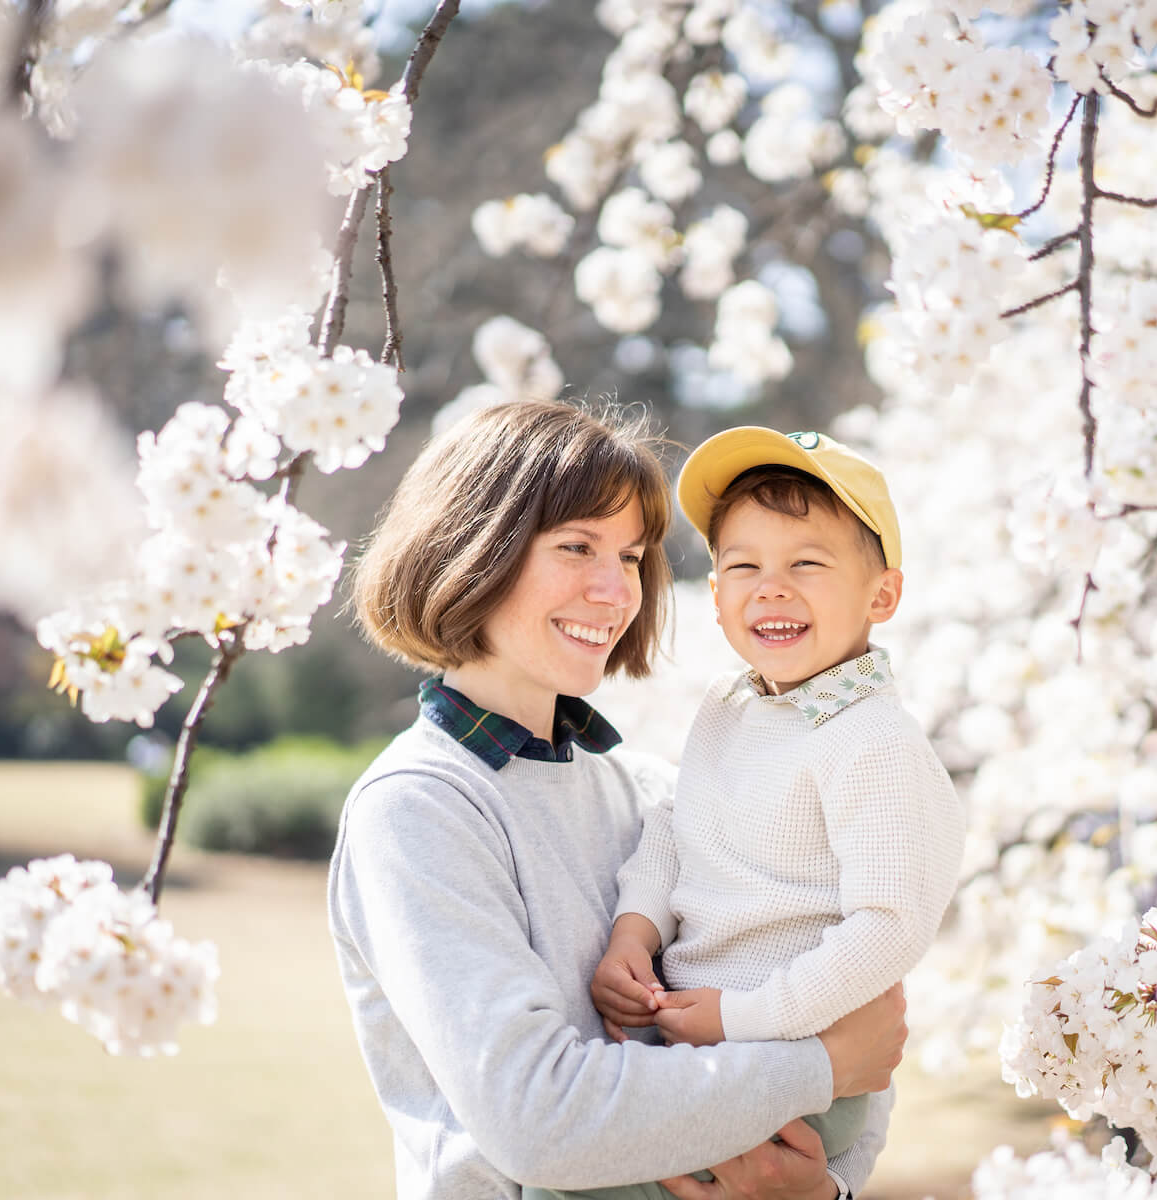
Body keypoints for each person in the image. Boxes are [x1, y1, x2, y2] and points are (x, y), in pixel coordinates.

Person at [327, 401, 907, 1200]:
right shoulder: (419, 809)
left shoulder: (655, 793)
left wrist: (820, 1193)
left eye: (632, 557)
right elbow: (539, 1119)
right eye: (576, 547)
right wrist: (820, 1068)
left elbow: (860, 1038)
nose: (613, 592)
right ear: (472, 547)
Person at [536, 428, 965, 1200]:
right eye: (743, 567)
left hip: (796, 1060)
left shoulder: (871, 741)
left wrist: (746, 1018)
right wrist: (635, 931)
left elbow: (889, 926)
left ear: (882, 595)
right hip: (710, 1046)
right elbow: (677, 827)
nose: (770, 587)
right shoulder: (730, 708)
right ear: (717, 597)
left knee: (583, 1185)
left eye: (806, 563)